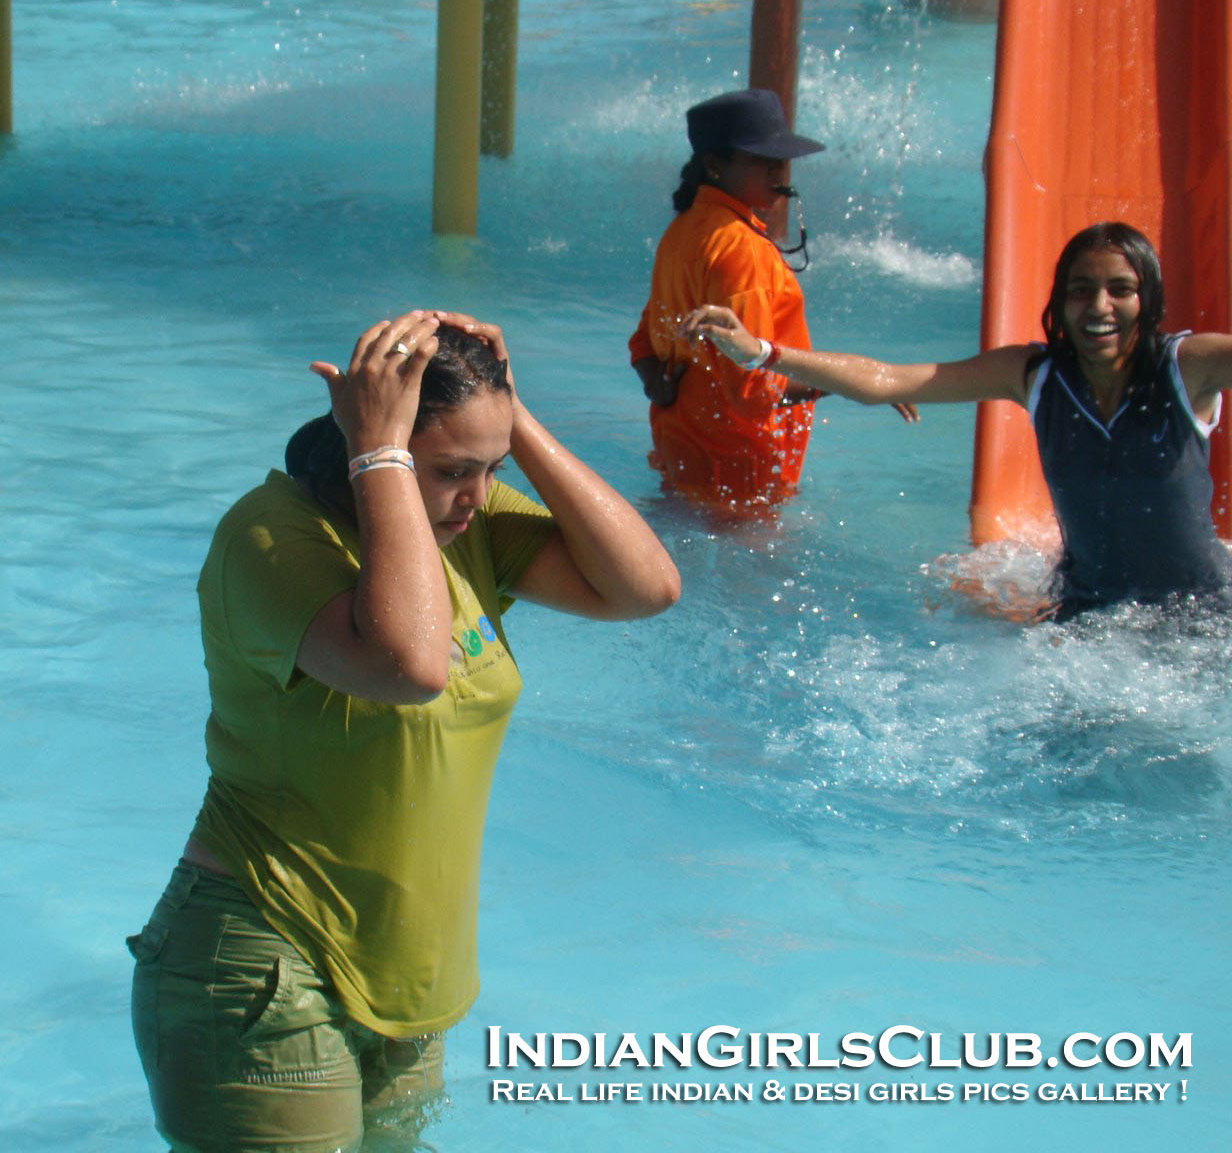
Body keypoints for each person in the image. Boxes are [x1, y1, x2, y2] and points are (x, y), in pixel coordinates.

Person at [128, 310, 680, 1151]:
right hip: (263, 965)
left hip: (408, 984)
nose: (476, 493)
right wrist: (379, 450)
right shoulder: (270, 537)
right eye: (453, 469)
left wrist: (512, 418)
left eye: (488, 471)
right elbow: (409, 667)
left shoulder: (464, 526)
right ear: (372, 441)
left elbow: (645, 589)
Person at [685, 221, 1232, 618]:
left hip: (1197, 613)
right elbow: (889, 380)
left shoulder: (1187, 369)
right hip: (1086, 612)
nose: (1099, 307)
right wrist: (760, 351)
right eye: (1081, 290)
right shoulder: (1034, 374)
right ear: (1060, 304)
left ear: (1149, 298)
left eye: (1121, 290)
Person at [629, 88, 916, 517]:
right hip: (741, 476)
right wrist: (847, 379)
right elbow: (751, 391)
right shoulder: (743, 249)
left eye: (779, 159)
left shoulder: (683, 231)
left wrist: (657, 380)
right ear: (714, 166)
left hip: (680, 455)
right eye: (760, 159)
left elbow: (644, 344)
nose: (777, 168)